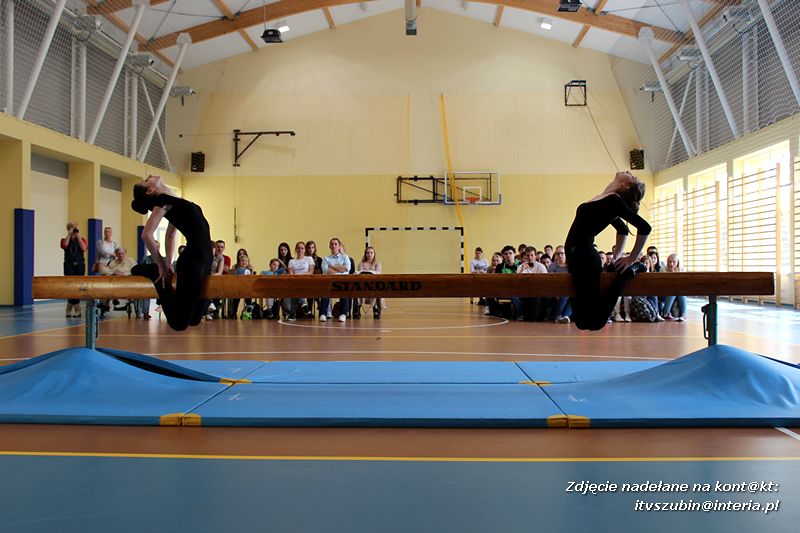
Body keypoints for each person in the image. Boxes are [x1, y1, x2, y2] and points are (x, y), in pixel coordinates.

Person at [564, 171, 650, 331]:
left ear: (626, 185)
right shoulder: (605, 199)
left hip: (585, 257)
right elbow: (622, 230)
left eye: (632, 177)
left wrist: (631, 258)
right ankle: (626, 271)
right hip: (577, 256)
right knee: (581, 321)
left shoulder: (613, 201)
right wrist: (616, 257)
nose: (629, 172)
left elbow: (645, 227)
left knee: (594, 322)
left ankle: (629, 271)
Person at [130, 175, 213, 332]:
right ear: (150, 190)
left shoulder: (175, 202)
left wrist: (169, 262)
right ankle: (153, 271)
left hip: (205, 258)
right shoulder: (162, 201)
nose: (149, 176)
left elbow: (170, 235)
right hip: (193, 259)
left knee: (195, 319)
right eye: (145, 180)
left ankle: (156, 271)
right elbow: (146, 234)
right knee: (179, 323)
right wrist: (161, 266)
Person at [321, 237, 351, 322]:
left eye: (335, 244)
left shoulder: (345, 257)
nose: (333, 246)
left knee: (345, 291)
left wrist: (331, 266)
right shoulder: (325, 258)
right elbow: (326, 271)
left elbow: (346, 268)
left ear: (339, 246)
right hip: (330, 282)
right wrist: (340, 270)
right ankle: (323, 314)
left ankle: (343, 314)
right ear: (329, 246)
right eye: (332, 244)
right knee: (325, 291)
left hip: (342, 282)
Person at [60, 222, 88, 318]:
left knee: (77, 286)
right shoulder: (64, 239)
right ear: (68, 228)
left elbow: (84, 248)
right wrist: (69, 234)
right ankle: (77, 309)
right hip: (69, 265)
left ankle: (70, 308)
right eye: (71, 227)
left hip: (80, 265)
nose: (73, 229)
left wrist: (77, 235)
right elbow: (65, 245)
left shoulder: (82, 239)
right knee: (70, 286)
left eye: (74, 227)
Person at [358, 245, 384, 319]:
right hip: (363, 284)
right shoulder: (361, 263)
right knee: (356, 291)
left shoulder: (378, 263)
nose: (369, 254)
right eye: (367, 253)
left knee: (376, 291)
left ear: (374, 254)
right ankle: (357, 309)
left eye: (371, 253)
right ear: (365, 254)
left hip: (374, 284)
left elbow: (378, 274)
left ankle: (376, 310)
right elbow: (359, 274)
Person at [661, 253, 686, 322]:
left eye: (673, 262)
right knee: (674, 291)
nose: (671, 264)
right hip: (665, 290)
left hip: (678, 290)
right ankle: (666, 313)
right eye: (669, 262)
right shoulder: (663, 269)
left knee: (680, 292)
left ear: (677, 263)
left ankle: (683, 314)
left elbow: (683, 283)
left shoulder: (682, 269)